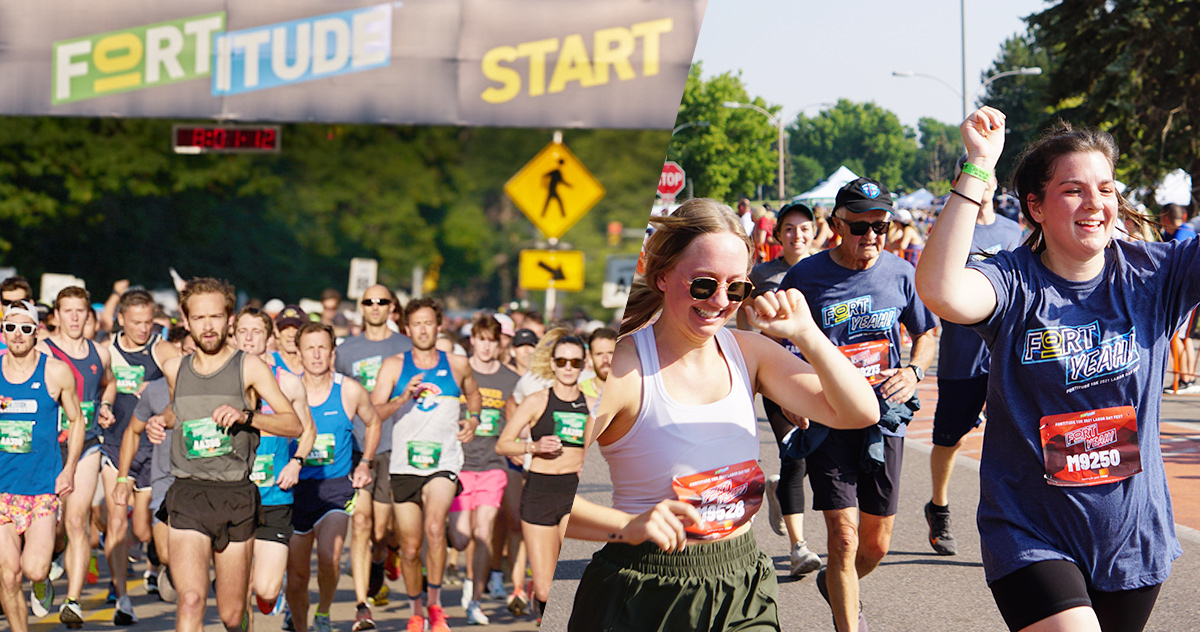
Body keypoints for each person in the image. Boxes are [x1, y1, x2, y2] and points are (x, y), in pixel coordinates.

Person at [917, 106, 1193, 632]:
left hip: (1132, 538)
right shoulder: (1013, 281)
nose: (1095, 203)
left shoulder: (1156, 274)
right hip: (1030, 532)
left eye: (1107, 189)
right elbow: (940, 291)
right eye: (1073, 190)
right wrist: (978, 166)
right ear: (1036, 207)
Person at [564, 198, 878, 632]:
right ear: (661, 275)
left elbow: (860, 411)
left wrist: (807, 334)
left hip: (741, 579)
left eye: (736, 289)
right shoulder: (621, 369)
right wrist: (627, 525)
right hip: (644, 590)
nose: (719, 301)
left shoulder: (749, 353)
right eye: (703, 284)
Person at [777, 177, 939, 632]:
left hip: (884, 417)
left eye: (880, 227)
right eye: (859, 227)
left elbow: (926, 331)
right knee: (843, 539)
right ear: (836, 226)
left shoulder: (900, 273)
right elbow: (784, 343)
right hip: (828, 417)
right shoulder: (805, 277)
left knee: (875, 546)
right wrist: (792, 394)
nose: (870, 237)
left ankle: (835, 584)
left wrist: (914, 371)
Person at [114, 278, 302, 632]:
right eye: (199, 318)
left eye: (215, 317)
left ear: (229, 319)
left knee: (232, 615)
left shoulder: (249, 367)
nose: (208, 326)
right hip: (188, 492)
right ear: (186, 321)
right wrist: (160, 422)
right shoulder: (175, 369)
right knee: (190, 599)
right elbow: (179, 411)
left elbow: (293, 425)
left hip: (235, 495)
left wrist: (247, 416)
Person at [922, 156, 1022, 557]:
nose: (981, 185)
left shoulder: (1014, 231)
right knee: (950, 439)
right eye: (971, 177)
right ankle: (939, 505)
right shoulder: (950, 232)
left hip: (1008, 356)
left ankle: (1015, 522)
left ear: (996, 184)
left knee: (1014, 440)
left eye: (986, 176)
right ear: (959, 183)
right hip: (962, 357)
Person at [371, 297, 482, 632]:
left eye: (428, 323)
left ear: (439, 326)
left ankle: (436, 608)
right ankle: (416, 609)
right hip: (404, 465)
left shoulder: (457, 364)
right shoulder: (393, 365)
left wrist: (473, 420)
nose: (422, 329)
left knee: (435, 529)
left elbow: (474, 394)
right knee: (410, 545)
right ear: (407, 329)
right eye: (416, 323)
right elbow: (373, 414)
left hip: (444, 463)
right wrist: (402, 397)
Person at [737, 202, 823, 577]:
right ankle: (798, 547)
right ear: (778, 234)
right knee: (795, 456)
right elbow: (742, 317)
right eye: (789, 228)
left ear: (816, 231)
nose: (797, 235)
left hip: (818, 377)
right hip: (777, 377)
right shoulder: (763, 273)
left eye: (804, 228)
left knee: (819, 459)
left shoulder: (825, 269)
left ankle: (775, 490)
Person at [286, 322, 381, 632]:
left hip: (335, 488)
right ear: (298, 353)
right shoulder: (286, 390)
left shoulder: (349, 389)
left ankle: (324, 613)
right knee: (297, 576)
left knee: (330, 555)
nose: (316, 354)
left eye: (322, 347)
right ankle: (298, 618)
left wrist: (365, 462)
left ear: (332, 352)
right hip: (294, 491)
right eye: (309, 348)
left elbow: (374, 422)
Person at [29, 287, 116, 620]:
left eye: (81, 311)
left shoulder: (100, 353)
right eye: (68, 311)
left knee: (77, 519)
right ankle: (45, 568)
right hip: (48, 448)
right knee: (54, 523)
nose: (76, 317)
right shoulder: (41, 349)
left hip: (87, 444)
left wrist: (105, 404)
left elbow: (109, 382)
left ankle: (73, 601)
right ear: (56, 315)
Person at [496, 328, 595, 623]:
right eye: (562, 361)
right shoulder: (537, 401)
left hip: (573, 493)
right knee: (543, 587)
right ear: (552, 363)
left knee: (575, 574)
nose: (568, 368)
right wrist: (533, 446)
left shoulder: (591, 406)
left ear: (583, 364)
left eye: (575, 362)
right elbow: (503, 443)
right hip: (539, 491)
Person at [96, 288, 182, 626]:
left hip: (156, 451)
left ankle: (161, 564)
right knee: (117, 523)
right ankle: (123, 598)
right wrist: (103, 406)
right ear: (121, 320)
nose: (143, 329)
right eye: (136, 323)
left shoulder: (161, 349)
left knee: (146, 532)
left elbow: (180, 386)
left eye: (148, 322)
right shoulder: (105, 352)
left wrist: (165, 406)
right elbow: (98, 388)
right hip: (117, 447)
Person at [0, 300, 85, 632]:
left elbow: (77, 421)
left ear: (36, 332)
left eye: (25, 328)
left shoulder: (55, 371)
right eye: (10, 327)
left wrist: (70, 468)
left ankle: (42, 581)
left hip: (42, 488)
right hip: (2, 489)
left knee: (34, 568)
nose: (17, 335)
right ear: (3, 331)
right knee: (8, 575)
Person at [229, 307, 317, 620]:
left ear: (270, 338)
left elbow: (309, 430)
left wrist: (296, 462)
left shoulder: (287, 382)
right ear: (234, 335)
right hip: (232, 495)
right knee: (238, 589)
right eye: (243, 331)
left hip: (275, 496)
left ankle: (269, 595)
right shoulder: (219, 381)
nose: (249, 338)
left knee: (264, 589)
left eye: (257, 332)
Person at [334, 285, 412, 626]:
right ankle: (361, 605)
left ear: (392, 307)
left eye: (382, 301)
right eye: (369, 301)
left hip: (396, 446)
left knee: (383, 530)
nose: (375, 306)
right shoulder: (346, 350)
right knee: (362, 523)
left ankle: (381, 558)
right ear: (361, 307)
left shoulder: (406, 346)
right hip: (357, 447)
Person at [448, 314, 520, 625]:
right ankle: (467, 579)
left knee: (483, 530)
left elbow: (519, 420)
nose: (487, 346)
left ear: (498, 343)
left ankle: (475, 599)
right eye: (481, 340)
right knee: (462, 537)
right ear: (472, 341)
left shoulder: (510, 379)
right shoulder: (459, 374)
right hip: (460, 464)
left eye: (492, 340)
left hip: (493, 465)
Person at [578, 327, 617, 414]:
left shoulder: (633, 390)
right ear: (590, 356)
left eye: (610, 353)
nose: (605, 360)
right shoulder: (579, 391)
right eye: (599, 354)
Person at [272, 305, 308, 375]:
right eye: (285, 328)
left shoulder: (314, 364)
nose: (291, 334)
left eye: (296, 328)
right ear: (277, 332)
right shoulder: (268, 363)